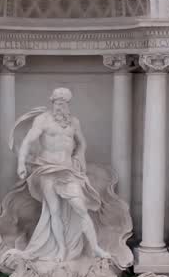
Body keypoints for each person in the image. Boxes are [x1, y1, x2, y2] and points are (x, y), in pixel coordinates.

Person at [14, 88, 109, 260]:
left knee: (80, 208)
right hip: (47, 169)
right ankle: (61, 250)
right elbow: (27, 142)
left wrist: (79, 158)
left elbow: (81, 143)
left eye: (63, 103)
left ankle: (95, 247)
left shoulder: (74, 122)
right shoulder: (42, 120)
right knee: (54, 211)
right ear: (52, 102)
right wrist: (21, 163)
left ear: (67, 104)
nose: (59, 106)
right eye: (57, 103)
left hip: (67, 170)